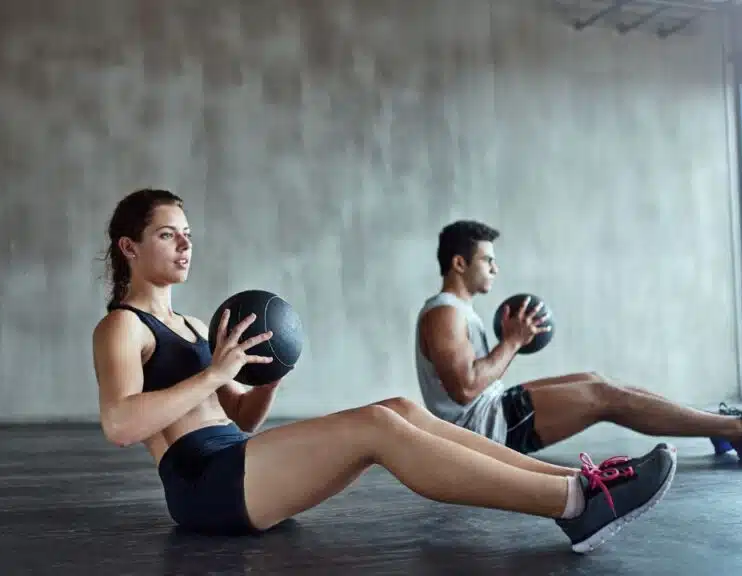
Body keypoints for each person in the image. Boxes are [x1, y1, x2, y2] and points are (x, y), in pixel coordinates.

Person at [91, 188, 677, 555]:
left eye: (188, 235)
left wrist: (266, 375)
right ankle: (576, 504)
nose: (185, 246)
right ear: (130, 247)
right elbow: (120, 424)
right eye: (168, 235)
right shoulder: (122, 327)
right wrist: (217, 374)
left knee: (397, 409)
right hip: (203, 489)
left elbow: (240, 417)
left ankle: (577, 484)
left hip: (233, 460)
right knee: (376, 426)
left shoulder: (196, 323)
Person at [415, 220, 742, 462]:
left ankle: (722, 426)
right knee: (603, 400)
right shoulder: (443, 312)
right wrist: (513, 341)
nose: (496, 268)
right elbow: (465, 388)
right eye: (487, 260)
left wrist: (512, 341)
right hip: (483, 434)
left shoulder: (460, 311)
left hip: (494, 410)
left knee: (598, 381)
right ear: (459, 264)